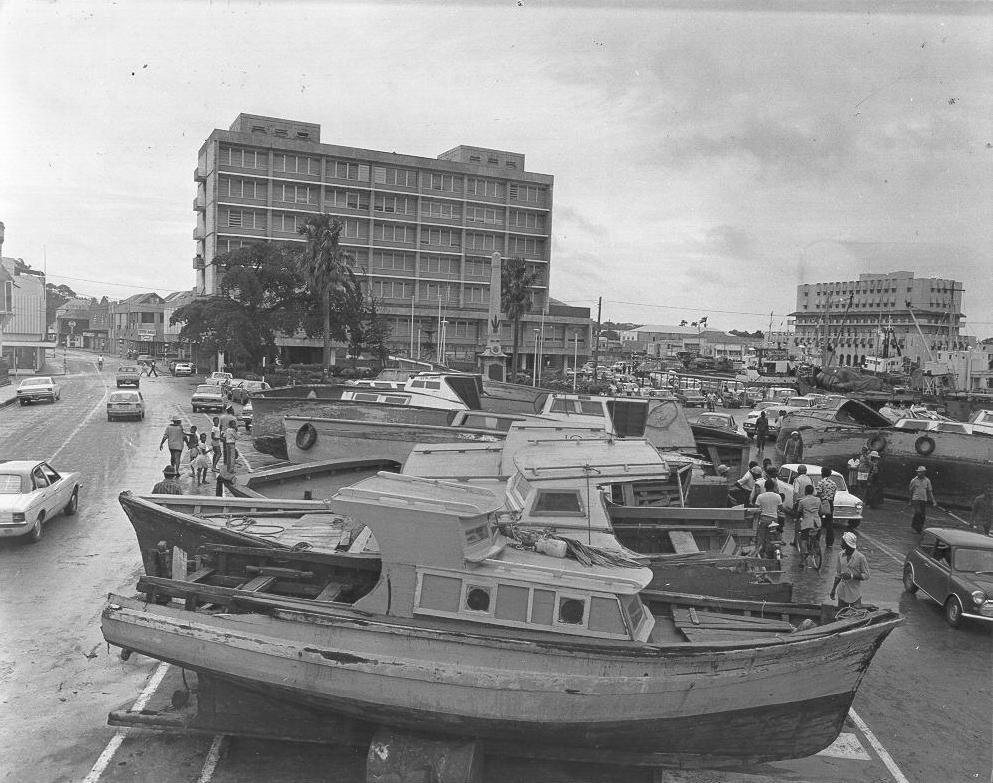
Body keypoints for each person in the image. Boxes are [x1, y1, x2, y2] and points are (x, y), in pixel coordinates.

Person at [830, 531, 870, 608]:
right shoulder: (840, 555)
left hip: (854, 594)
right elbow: (838, 574)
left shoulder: (860, 557)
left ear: (847, 544)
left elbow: (866, 575)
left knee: (855, 615)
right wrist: (833, 589)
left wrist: (851, 576)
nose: (841, 543)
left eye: (842, 541)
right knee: (841, 614)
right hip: (842, 592)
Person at [752, 478, 786, 558]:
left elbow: (756, 508)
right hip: (774, 521)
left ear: (765, 487)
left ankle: (760, 554)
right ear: (773, 487)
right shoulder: (778, 496)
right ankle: (775, 554)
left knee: (761, 538)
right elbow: (781, 508)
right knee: (773, 538)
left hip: (763, 520)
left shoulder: (760, 496)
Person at [796, 484, 822, 567]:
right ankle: (817, 549)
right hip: (817, 522)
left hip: (807, 523)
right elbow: (820, 511)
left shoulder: (802, 501)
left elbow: (799, 512)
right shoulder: (818, 500)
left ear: (805, 491)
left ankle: (804, 556)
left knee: (803, 539)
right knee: (817, 538)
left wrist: (798, 518)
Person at [816, 465, 838, 548]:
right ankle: (829, 543)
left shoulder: (821, 482)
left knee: (819, 522)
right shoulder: (834, 484)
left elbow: (818, 494)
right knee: (830, 524)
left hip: (822, 504)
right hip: (830, 504)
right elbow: (833, 495)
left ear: (822, 473)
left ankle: (817, 539)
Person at [908, 466, 934, 534]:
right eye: (918, 472)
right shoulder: (914, 480)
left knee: (922, 515)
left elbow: (930, 491)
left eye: (920, 472)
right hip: (916, 499)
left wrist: (934, 501)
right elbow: (911, 491)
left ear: (924, 473)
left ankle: (919, 528)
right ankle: (915, 526)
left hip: (923, 499)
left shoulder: (927, 480)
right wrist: (910, 501)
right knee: (918, 512)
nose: (919, 473)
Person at [791, 464, 813, 545]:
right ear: (806, 472)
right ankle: (806, 540)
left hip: (800, 502)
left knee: (797, 522)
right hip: (808, 502)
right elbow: (813, 492)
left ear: (798, 472)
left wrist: (794, 503)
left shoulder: (797, 479)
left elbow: (796, 492)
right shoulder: (810, 479)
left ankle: (795, 540)